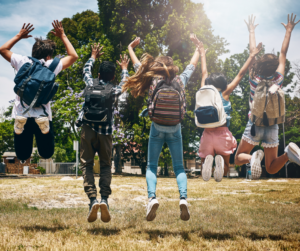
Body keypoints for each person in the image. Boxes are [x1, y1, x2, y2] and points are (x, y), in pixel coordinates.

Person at [123, 34, 201, 222]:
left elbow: (136, 65)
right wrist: (198, 46)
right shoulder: (180, 80)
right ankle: (183, 199)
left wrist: (130, 48)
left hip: (157, 126)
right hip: (175, 127)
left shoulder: (151, 79)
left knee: (151, 165)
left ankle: (152, 198)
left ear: (157, 66)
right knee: (179, 167)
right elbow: (192, 65)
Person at [0, 21, 78, 162]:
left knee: (23, 155)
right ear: (49, 56)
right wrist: (63, 36)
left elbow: (3, 49)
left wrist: (19, 35)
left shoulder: (22, 61)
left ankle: (18, 128)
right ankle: (45, 129)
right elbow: (73, 56)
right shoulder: (52, 65)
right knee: (47, 153)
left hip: (21, 113)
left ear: (33, 53)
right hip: (42, 114)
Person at [235, 14, 300, 178]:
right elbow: (284, 53)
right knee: (271, 168)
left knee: (238, 158)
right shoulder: (278, 79)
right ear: (275, 67)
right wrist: (289, 31)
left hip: (254, 124)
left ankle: (252, 157)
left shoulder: (253, 79)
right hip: (272, 125)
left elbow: (252, 52)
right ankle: (287, 155)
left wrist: (251, 31)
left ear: (259, 66)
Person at [197, 35, 263, 182]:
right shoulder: (225, 93)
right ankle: (220, 161)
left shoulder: (204, 90)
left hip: (207, 134)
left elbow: (204, 73)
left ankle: (208, 160)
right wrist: (251, 56)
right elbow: (240, 74)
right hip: (222, 134)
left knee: (204, 169)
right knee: (226, 167)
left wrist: (202, 54)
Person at [78, 43, 130, 223]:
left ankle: (92, 199)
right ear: (113, 76)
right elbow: (125, 83)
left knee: (87, 164)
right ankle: (105, 200)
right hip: (106, 131)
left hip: (87, 129)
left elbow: (86, 70)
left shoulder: (89, 82)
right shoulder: (114, 90)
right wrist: (124, 69)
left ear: (98, 75)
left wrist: (93, 56)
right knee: (106, 165)